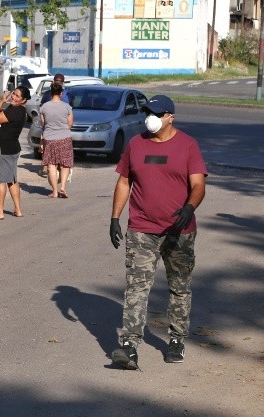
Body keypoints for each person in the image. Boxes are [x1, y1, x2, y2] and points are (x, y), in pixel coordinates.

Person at [108, 94, 207, 370]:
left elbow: (198, 184)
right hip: (142, 228)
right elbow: (124, 180)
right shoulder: (136, 144)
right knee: (137, 287)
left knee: (179, 286)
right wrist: (115, 217)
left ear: (170, 117)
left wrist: (189, 207)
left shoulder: (188, 146)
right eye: (147, 112)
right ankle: (129, 346)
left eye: (156, 113)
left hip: (179, 230)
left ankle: (177, 338)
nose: (149, 117)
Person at [0, 85, 30, 220]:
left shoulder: (15, 111)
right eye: (14, 94)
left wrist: (1, 101)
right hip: (13, 147)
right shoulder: (21, 111)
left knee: (0, 180)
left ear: (23, 100)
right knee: (12, 179)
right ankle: (18, 209)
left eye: (17, 96)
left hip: (3, 147)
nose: (13, 97)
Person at [40, 82, 74, 199]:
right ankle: (63, 187)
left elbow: (43, 123)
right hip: (64, 137)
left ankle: (54, 191)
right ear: (61, 93)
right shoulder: (67, 107)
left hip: (49, 138)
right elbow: (70, 124)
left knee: (51, 165)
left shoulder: (44, 107)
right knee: (65, 164)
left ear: (51, 93)